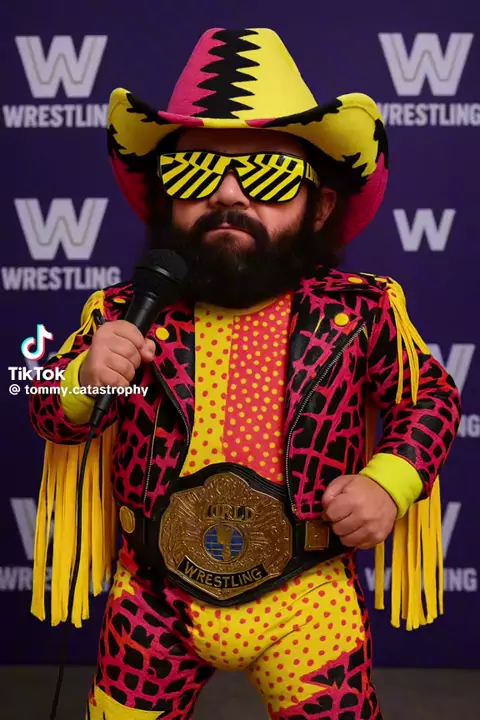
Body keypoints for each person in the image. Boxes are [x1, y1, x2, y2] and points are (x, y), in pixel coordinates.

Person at [29, 28, 461, 720]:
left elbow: (429, 397)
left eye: (268, 176)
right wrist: (83, 377)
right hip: (152, 602)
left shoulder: (361, 311)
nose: (228, 196)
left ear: (319, 206)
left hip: (309, 600)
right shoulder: (121, 314)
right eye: (195, 174)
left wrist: (390, 482)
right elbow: (45, 406)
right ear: (167, 198)